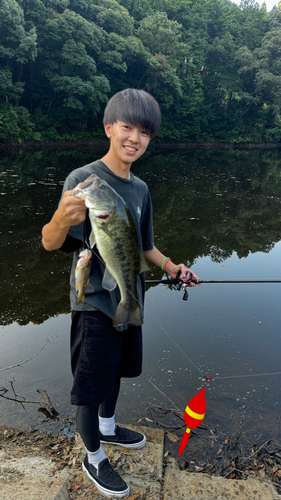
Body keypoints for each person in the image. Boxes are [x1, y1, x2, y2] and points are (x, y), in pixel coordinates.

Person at [42, 88, 199, 498]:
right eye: (127, 127)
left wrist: (173, 268)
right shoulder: (84, 180)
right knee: (91, 382)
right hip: (94, 303)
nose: (134, 138)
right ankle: (92, 456)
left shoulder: (141, 189)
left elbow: (146, 248)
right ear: (109, 127)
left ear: (150, 139)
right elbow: (49, 241)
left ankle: (108, 428)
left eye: (144, 132)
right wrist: (61, 215)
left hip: (130, 298)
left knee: (117, 371)